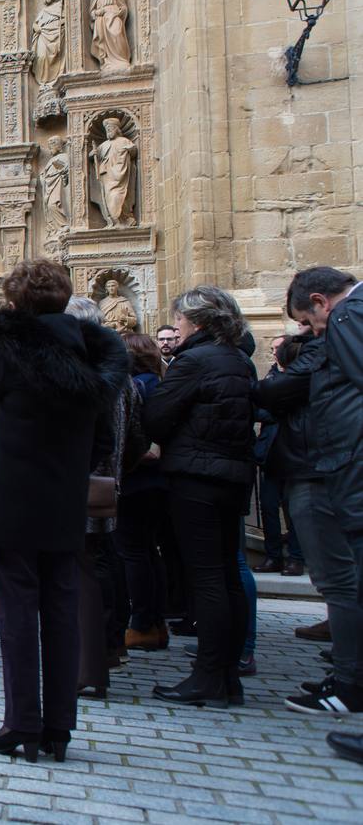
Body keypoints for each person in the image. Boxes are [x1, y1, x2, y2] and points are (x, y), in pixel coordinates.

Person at [0, 260, 117, 763]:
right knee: (62, 612)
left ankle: (21, 722)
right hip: (63, 501)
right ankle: (59, 730)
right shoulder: (92, 355)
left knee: (18, 614)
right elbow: (104, 439)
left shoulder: (11, 347)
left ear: (16, 302)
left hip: (11, 499)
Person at [144, 286, 257, 708]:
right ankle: (228, 675)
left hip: (196, 478)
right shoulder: (238, 360)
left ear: (200, 322)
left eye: (181, 320)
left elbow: (157, 415)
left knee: (206, 578)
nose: (176, 326)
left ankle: (208, 675)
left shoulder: (192, 361)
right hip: (232, 475)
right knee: (227, 574)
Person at [255, 329, 363, 715]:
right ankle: (348, 672)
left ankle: (351, 682)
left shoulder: (326, 357)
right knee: (338, 579)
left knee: (338, 580)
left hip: (316, 472)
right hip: (317, 469)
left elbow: (271, 394)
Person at [283, 266, 363, 721]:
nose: (314, 333)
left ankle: (351, 684)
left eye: (311, 323)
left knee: (345, 582)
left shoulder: (349, 316)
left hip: (350, 465)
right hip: (344, 465)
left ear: (321, 301)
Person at [66, 296, 135, 699]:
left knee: (85, 577)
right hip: (107, 481)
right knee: (100, 568)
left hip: (88, 483)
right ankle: (107, 650)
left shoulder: (91, 372)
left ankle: (88, 667)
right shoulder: (117, 370)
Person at [114, 332, 171, 653]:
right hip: (157, 483)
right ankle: (155, 622)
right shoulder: (158, 383)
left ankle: (141, 623)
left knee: (132, 552)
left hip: (138, 480)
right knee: (149, 552)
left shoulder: (138, 387)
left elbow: (141, 441)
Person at [253, 335, 305, 576]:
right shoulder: (270, 376)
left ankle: (296, 557)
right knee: (268, 507)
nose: (273, 352)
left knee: (293, 509)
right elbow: (257, 409)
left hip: (294, 452)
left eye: (277, 348)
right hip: (269, 452)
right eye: (272, 348)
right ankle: (272, 555)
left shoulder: (298, 376)